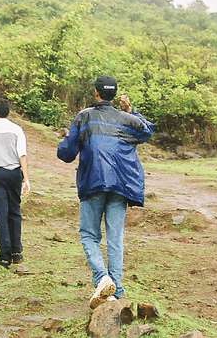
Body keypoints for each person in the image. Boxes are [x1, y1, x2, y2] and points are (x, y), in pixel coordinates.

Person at [57, 77, 154, 308]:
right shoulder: (126, 119)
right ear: (114, 94)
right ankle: (115, 292)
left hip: (93, 182)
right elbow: (147, 131)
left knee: (89, 235)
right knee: (115, 238)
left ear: (96, 93)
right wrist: (132, 111)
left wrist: (67, 142)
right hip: (121, 185)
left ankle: (102, 279)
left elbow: (66, 153)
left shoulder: (85, 117)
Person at [0, 97, 31, 267]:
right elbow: (22, 154)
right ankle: (17, 252)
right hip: (14, 173)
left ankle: (4, 255)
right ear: (8, 111)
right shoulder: (17, 129)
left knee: (1, 215)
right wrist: (26, 178)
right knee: (14, 211)